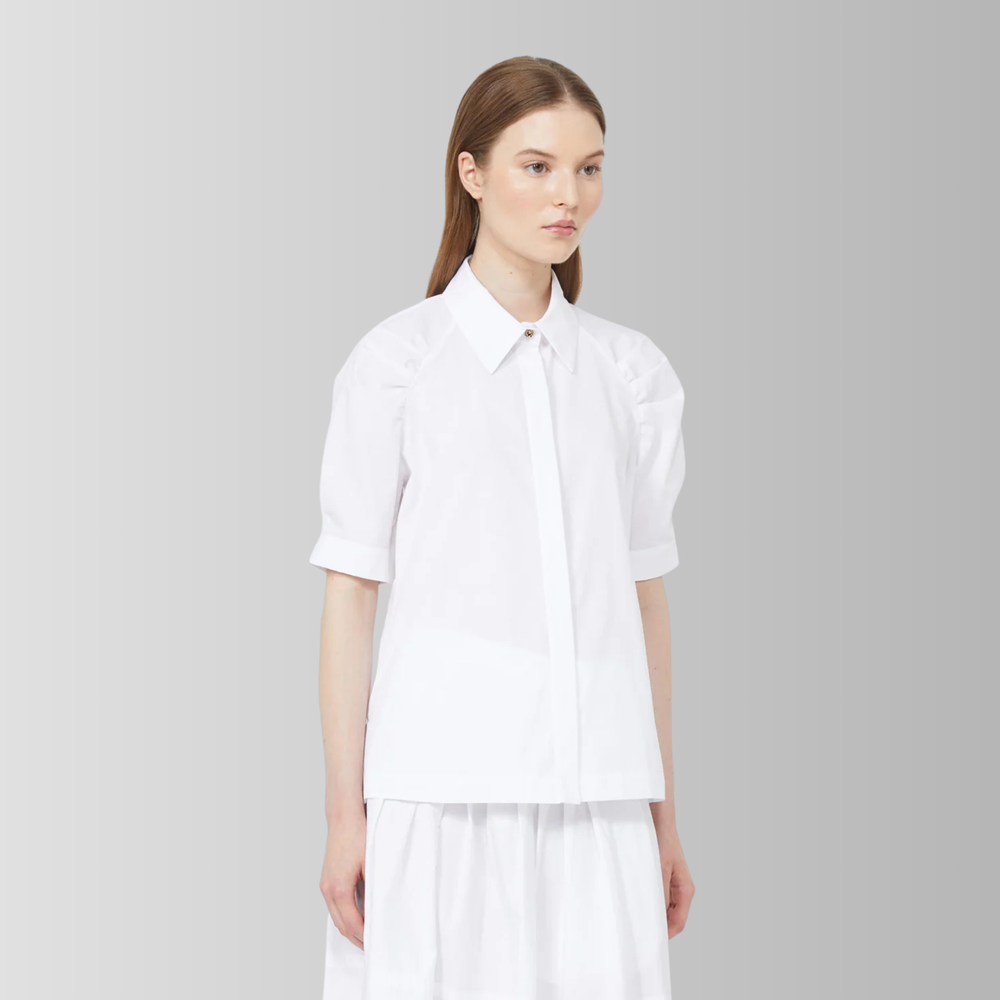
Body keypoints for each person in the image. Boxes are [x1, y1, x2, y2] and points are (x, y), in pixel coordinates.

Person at [309, 55, 695, 1000]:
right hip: (440, 798)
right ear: (471, 172)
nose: (570, 195)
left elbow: (643, 603)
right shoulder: (397, 366)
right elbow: (350, 596)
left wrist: (662, 813)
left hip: (601, 798)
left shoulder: (633, 377)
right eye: (538, 166)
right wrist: (345, 818)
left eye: (589, 168)